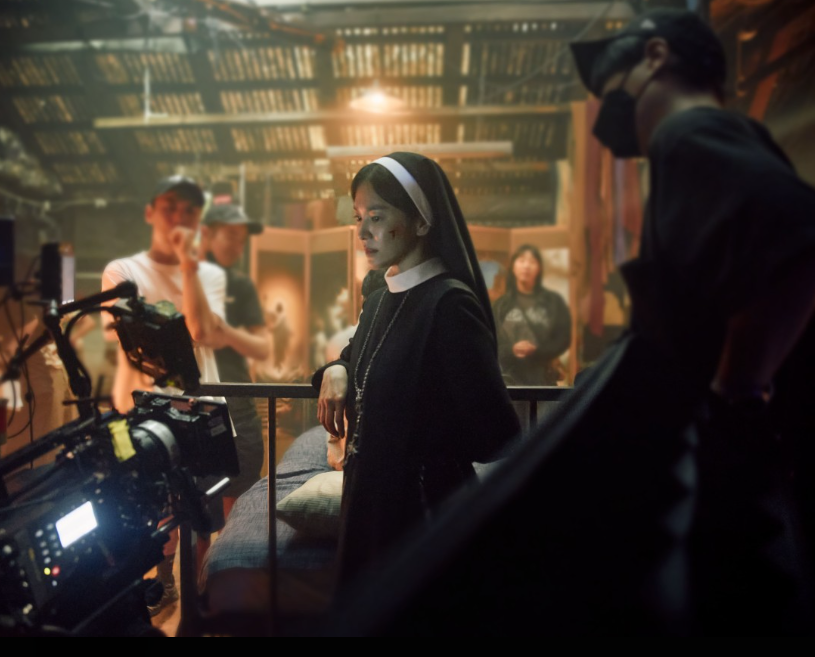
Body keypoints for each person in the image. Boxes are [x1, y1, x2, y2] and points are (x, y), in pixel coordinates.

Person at [568, 8, 815, 634]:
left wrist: (737, 391)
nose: (610, 114)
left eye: (614, 91)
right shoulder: (726, 135)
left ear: (656, 57)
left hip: (743, 463)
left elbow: (797, 243)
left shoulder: (687, 134)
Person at [313, 152, 522, 598]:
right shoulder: (380, 298)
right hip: (367, 504)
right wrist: (337, 367)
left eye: (377, 216)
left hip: (422, 514)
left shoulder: (449, 304)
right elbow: (362, 356)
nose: (363, 232)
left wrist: (421, 438)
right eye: (358, 218)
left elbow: (497, 433)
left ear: (422, 221)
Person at [101, 174, 229, 617]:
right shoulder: (122, 272)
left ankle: (197, 596)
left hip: (198, 412)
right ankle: (159, 582)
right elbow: (129, 341)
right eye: (170, 206)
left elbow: (201, 331)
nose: (179, 216)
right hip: (136, 412)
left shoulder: (209, 274)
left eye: (190, 210)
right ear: (150, 212)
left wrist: (189, 268)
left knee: (201, 511)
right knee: (144, 508)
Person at [197, 201, 269, 520]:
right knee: (191, 503)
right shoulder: (182, 280)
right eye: (230, 236)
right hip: (190, 398)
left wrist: (225, 333)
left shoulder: (240, 285)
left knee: (239, 493)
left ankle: (229, 552)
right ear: (207, 234)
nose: (237, 246)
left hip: (236, 399)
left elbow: (262, 347)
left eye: (242, 240)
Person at [492, 244, 572, 386]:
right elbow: (493, 343)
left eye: (532, 261)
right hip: (510, 382)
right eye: (522, 260)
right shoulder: (500, 306)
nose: (526, 266)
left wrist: (538, 350)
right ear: (513, 267)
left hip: (544, 381)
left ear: (539, 268)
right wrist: (512, 349)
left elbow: (563, 339)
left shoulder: (552, 302)